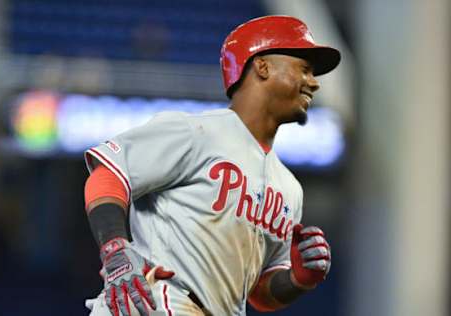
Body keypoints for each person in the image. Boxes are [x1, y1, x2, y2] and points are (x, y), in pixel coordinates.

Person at [83, 15, 340, 316]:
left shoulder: (289, 189)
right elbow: (108, 176)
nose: (314, 83)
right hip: (154, 302)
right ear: (262, 66)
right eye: (304, 69)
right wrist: (114, 249)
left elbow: (259, 293)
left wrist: (298, 279)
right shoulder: (197, 132)